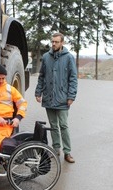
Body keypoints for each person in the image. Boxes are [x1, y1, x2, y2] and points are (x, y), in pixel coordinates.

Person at [35, 33, 78, 163]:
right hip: (48, 98)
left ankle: (67, 152)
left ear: (62, 43)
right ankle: (56, 149)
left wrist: (71, 96)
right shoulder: (46, 57)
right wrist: (38, 92)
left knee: (63, 125)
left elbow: (73, 79)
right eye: (52, 41)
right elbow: (41, 76)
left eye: (57, 42)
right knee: (53, 126)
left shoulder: (69, 58)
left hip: (63, 98)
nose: (54, 44)